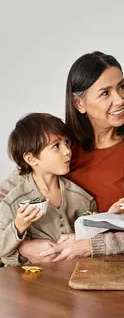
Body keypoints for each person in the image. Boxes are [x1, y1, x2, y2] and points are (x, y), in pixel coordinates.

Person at [0, 52, 124, 262]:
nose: (120, 99)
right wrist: (23, 245)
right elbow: (5, 199)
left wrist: (93, 245)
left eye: (121, 86)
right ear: (79, 103)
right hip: (55, 276)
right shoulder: (58, 146)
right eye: (105, 93)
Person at [0, 113, 95, 266]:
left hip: (73, 279)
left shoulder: (83, 198)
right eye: (56, 146)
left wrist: (94, 226)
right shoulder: (12, 203)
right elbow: (3, 251)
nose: (67, 151)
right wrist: (18, 227)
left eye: (66, 142)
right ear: (31, 159)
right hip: (30, 285)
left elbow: (90, 244)